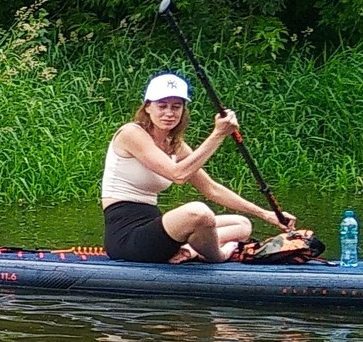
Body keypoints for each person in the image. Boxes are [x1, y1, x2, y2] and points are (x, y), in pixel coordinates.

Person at [102, 72, 296, 264]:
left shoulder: (174, 145)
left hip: (154, 228)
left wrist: (266, 214)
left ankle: (189, 251)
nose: (169, 113)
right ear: (147, 108)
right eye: (162, 106)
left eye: (176, 107)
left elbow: (211, 188)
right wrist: (218, 134)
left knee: (242, 224)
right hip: (127, 238)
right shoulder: (131, 133)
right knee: (198, 212)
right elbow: (178, 175)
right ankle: (218, 255)